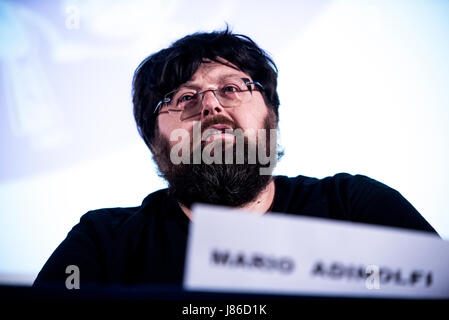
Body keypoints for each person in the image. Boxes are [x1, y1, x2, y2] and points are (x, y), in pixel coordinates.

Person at [33, 28, 438, 289]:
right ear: (152, 139)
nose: (209, 106)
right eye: (183, 97)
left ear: (271, 115)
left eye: (231, 88)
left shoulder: (355, 207)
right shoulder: (103, 242)